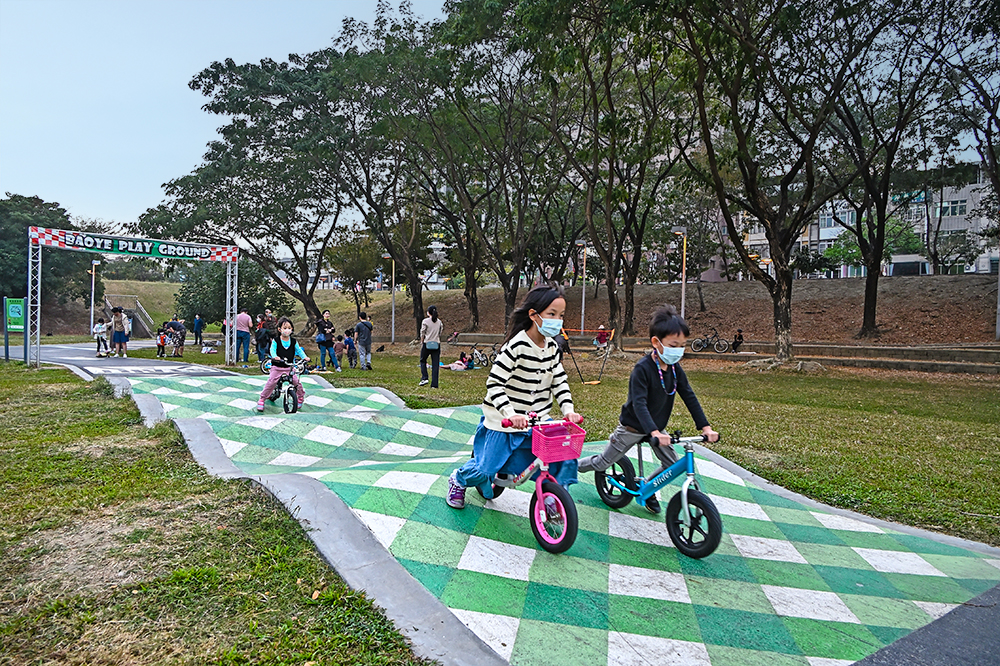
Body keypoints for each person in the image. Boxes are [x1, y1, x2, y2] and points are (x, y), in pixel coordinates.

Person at [446, 285, 583, 509]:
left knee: (561, 452)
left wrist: (568, 410)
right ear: (533, 315)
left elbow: (559, 381)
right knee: (485, 468)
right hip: (504, 421)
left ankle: (553, 495)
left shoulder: (552, 348)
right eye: (552, 314)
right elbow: (494, 384)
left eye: (561, 316)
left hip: (537, 420)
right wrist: (510, 414)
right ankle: (459, 479)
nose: (558, 321)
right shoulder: (516, 346)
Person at [578, 304, 719, 514]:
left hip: (656, 429)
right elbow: (640, 404)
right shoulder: (642, 369)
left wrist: (705, 427)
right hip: (632, 427)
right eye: (673, 345)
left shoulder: (675, 369)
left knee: (672, 465)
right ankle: (570, 466)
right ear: (656, 342)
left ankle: (648, 489)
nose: (678, 350)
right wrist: (654, 432)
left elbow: (689, 396)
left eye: (682, 345)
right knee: (602, 463)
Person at [257, 316, 308, 412]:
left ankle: (300, 397)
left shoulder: (293, 341)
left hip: (289, 367)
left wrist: (304, 357)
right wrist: (275, 356)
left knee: (296, 382)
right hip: (277, 367)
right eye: (285, 328)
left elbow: (299, 350)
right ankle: (262, 399)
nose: (287, 330)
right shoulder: (276, 340)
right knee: (271, 382)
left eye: (289, 328)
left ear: (292, 329)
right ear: (279, 329)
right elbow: (272, 349)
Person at [419, 305, 444, 387]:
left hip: (427, 343)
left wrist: (422, 341)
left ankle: (425, 377)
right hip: (436, 344)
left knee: (423, 360)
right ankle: (434, 384)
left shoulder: (425, 321)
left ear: (428, 312)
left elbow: (422, 332)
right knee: (435, 364)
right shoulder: (439, 322)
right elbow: (440, 332)